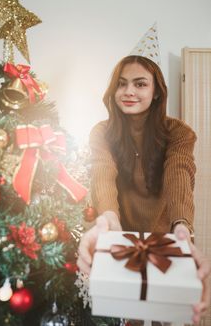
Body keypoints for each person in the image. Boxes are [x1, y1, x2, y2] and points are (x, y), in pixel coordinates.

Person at [77, 55, 210, 325]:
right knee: (122, 314)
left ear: (156, 92)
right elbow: (102, 171)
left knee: (165, 315)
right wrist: (108, 218)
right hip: (119, 238)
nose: (129, 92)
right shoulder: (101, 132)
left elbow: (179, 174)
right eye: (122, 84)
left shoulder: (179, 133)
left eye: (140, 84)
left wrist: (182, 225)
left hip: (165, 241)